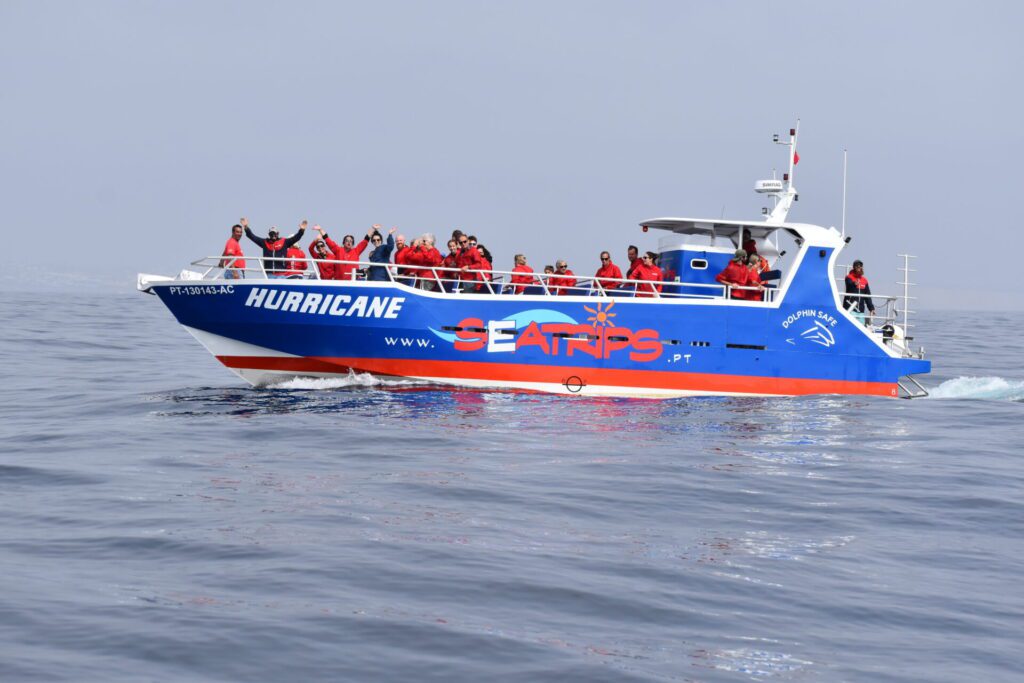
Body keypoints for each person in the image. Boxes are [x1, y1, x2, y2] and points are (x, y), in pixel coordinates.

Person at [844, 259, 875, 324]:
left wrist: (871, 308)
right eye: (857, 266)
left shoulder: (864, 280)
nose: (859, 267)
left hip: (861, 311)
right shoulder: (849, 277)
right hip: (850, 309)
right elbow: (849, 284)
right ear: (854, 267)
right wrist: (854, 284)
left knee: (861, 327)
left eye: (860, 266)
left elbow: (867, 296)